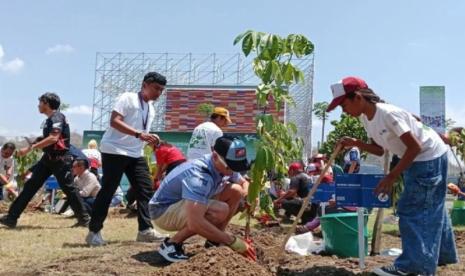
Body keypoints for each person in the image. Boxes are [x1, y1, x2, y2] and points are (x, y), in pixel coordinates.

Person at [327, 76, 457, 276]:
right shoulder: (366, 118)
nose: (344, 111)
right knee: (431, 206)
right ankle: (443, 255)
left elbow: (415, 146)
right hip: (420, 157)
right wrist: (357, 143)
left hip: (426, 158)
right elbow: (380, 150)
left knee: (412, 209)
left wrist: (391, 176)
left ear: (359, 97)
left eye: (344, 105)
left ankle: (414, 266)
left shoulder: (387, 114)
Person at [86, 72, 167, 246]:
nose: (158, 93)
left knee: (145, 189)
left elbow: (141, 131)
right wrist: (139, 134)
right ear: (145, 84)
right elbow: (114, 121)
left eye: (161, 90)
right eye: (156, 88)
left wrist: (150, 137)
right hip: (114, 149)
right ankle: (94, 232)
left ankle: (145, 230)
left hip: (135, 153)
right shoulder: (128, 98)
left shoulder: (150, 108)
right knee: (108, 189)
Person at [149, 136, 255, 263]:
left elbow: (244, 183)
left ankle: (214, 240)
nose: (233, 171)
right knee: (220, 210)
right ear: (215, 156)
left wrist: (248, 196)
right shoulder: (199, 176)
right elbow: (195, 222)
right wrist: (232, 241)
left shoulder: (224, 164)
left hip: (182, 205)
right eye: (230, 167)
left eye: (236, 167)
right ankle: (171, 245)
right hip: (162, 211)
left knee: (236, 191)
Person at [0, 93, 90, 228]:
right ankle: (11, 218)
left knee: (69, 189)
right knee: (30, 187)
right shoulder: (50, 120)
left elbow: (54, 138)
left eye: (40, 102)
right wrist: (35, 142)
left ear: (46, 103)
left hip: (60, 160)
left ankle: (85, 219)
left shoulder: (57, 117)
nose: (38, 105)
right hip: (48, 159)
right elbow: (47, 138)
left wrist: (31, 148)